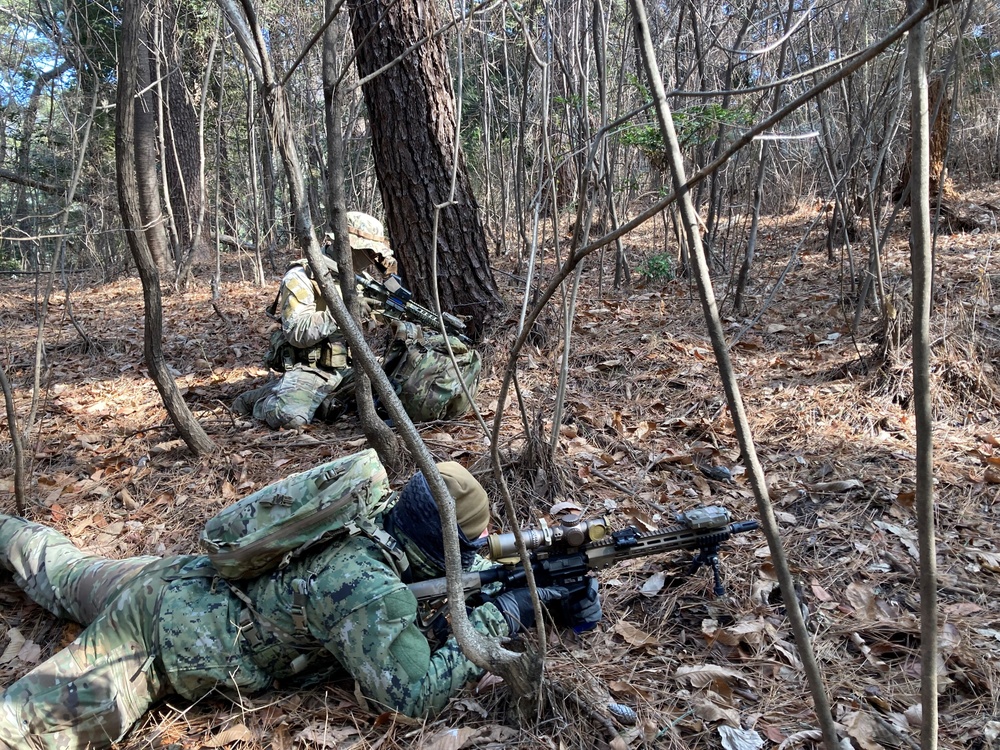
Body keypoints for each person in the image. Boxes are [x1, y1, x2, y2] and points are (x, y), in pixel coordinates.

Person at [0, 457, 603, 750]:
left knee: (60, 567)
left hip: (178, 579)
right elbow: (414, 694)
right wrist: (514, 612)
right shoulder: (366, 588)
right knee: (25, 728)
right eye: (467, 543)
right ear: (437, 540)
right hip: (156, 642)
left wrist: (535, 586)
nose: (475, 554)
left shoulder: (375, 516)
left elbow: (464, 572)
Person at [232, 211, 394, 429]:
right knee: (290, 418)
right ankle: (261, 399)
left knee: (397, 389)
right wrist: (343, 312)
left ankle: (322, 400)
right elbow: (297, 332)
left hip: (348, 367)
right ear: (346, 245)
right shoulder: (301, 275)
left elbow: (379, 315)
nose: (371, 258)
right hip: (310, 367)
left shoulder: (361, 279)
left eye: (374, 252)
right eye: (367, 250)